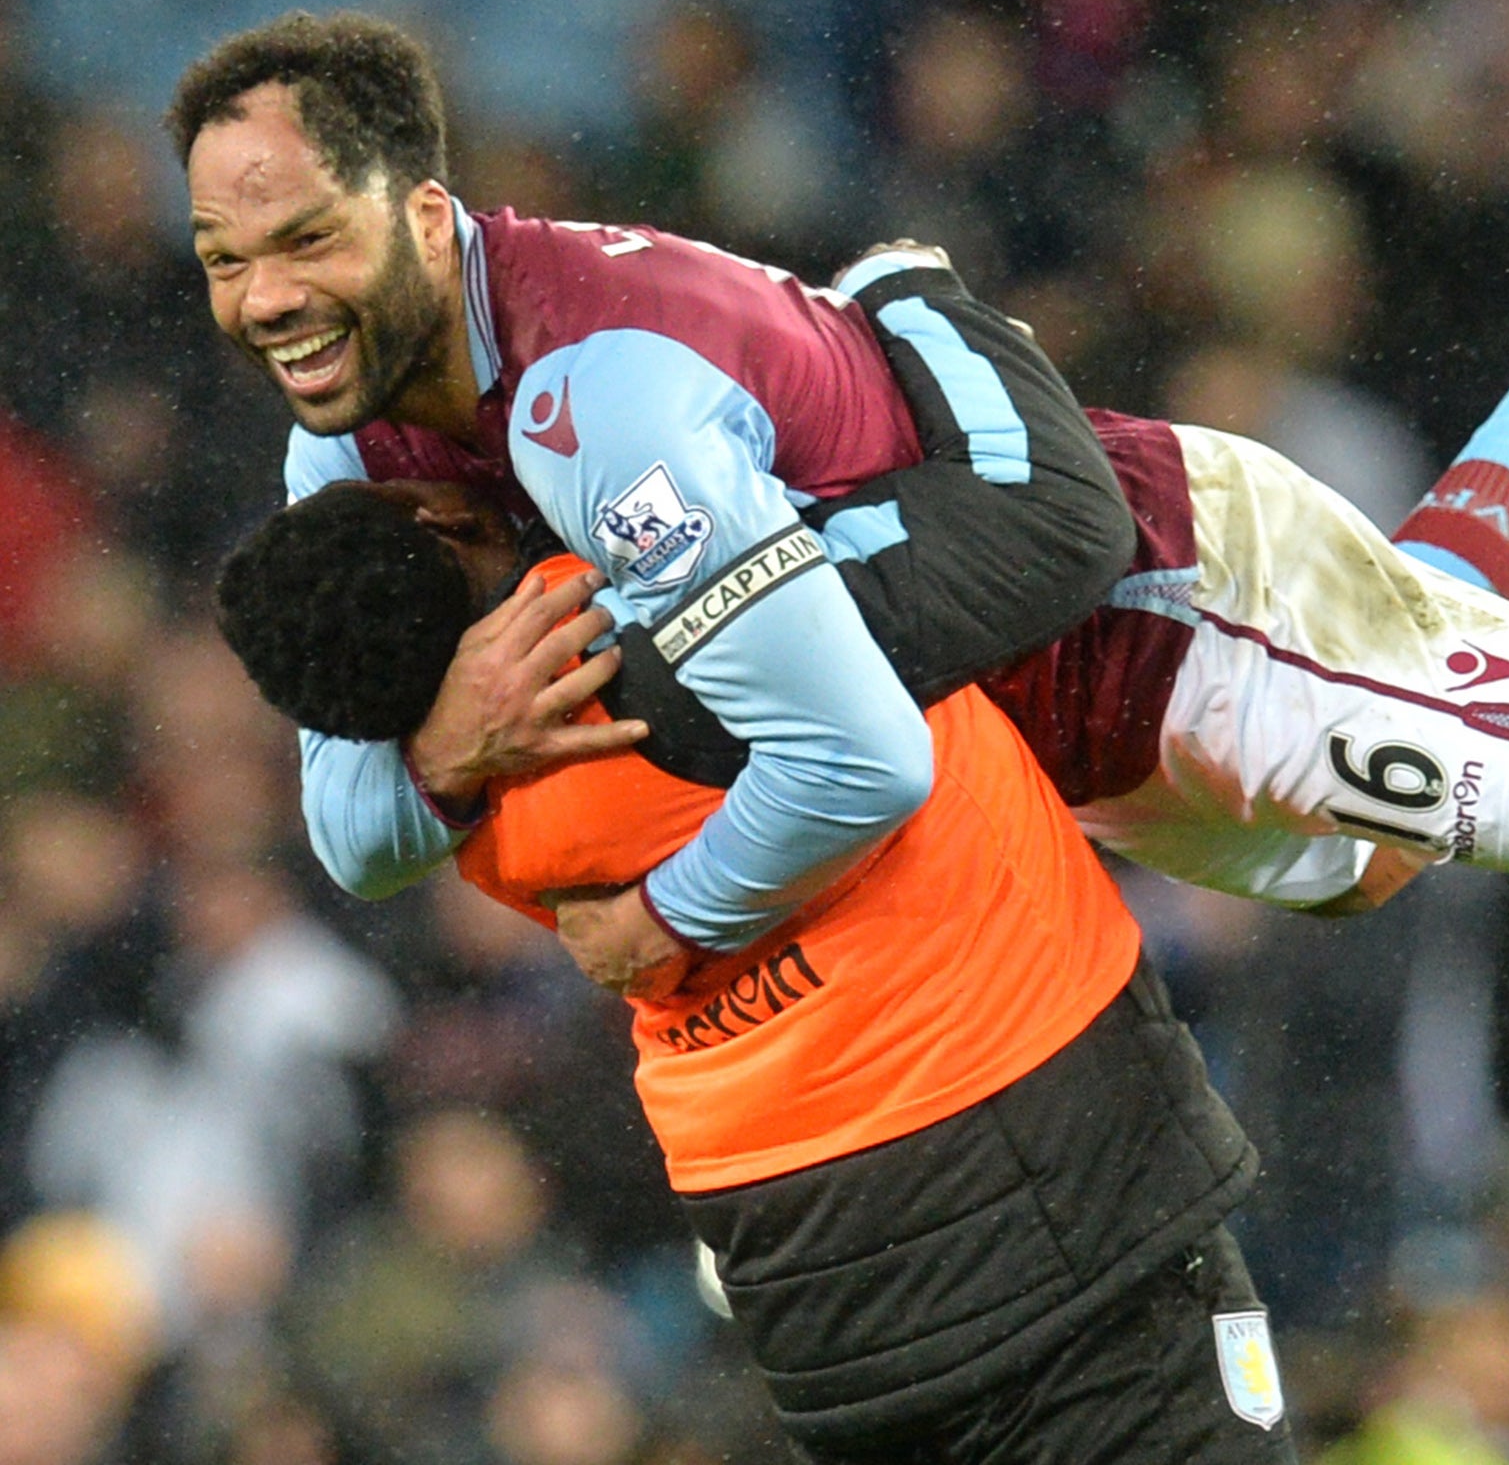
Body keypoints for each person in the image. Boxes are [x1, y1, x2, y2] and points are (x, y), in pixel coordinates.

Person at [175, 12, 1509, 993]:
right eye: (219, 258)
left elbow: (852, 765)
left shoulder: (599, 404)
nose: (263, 298)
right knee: (1381, 844)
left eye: (302, 240)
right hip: (1077, 720)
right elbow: (348, 812)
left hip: (1172, 609)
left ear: (421, 214)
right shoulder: (348, 423)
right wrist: (439, 740)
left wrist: (667, 917)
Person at [215, 477, 1295, 1464]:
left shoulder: (460, 818)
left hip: (799, 1267)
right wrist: (908, 293)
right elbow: (1042, 528)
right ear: (438, 515)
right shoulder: (664, 612)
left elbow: (359, 834)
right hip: (1026, 1156)